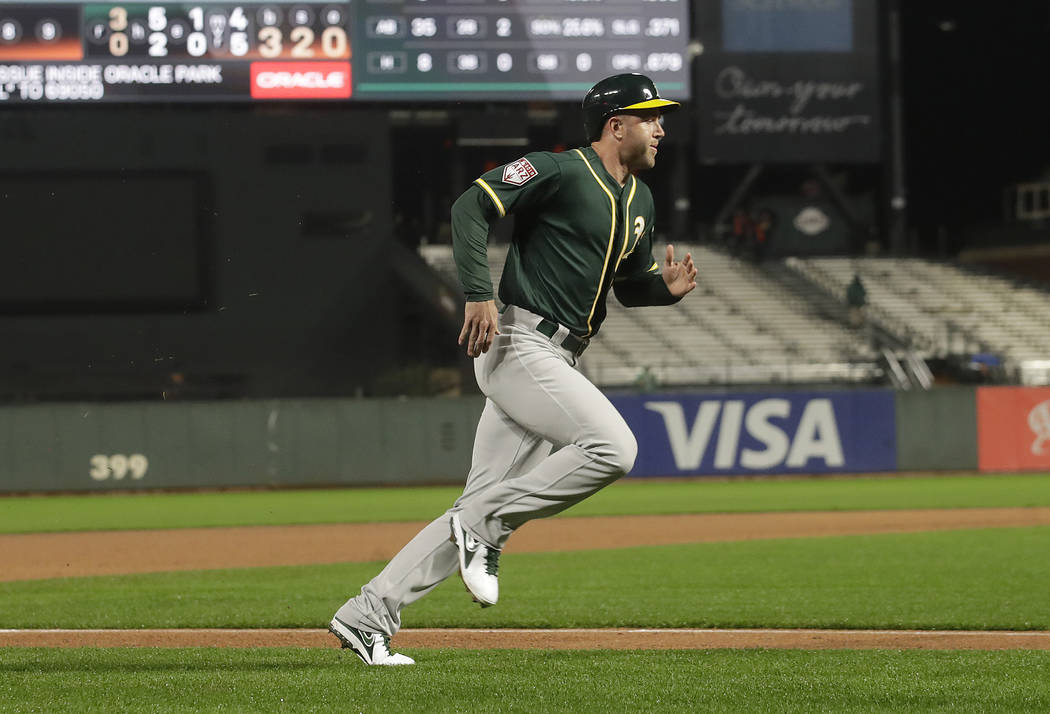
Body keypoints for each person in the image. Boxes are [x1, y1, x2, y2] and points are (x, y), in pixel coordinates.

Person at [327, 73, 697, 665]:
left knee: (472, 507)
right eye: (650, 117)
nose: (661, 128)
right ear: (615, 124)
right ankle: (486, 522)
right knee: (612, 448)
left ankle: (368, 612)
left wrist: (662, 289)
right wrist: (477, 293)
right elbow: (471, 204)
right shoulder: (557, 170)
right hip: (521, 342)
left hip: (561, 354)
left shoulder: (641, 200)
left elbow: (627, 284)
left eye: (661, 118)